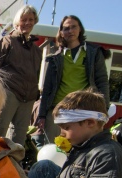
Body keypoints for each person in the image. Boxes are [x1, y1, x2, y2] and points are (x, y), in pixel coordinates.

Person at [35, 15, 111, 146]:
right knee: (54, 147)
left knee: (80, 148)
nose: (70, 31)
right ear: (61, 33)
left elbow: (102, 81)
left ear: (80, 29)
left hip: (83, 110)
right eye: (66, 28)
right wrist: (41, 115)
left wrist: (105, 107)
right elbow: (47, 87)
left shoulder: (93, 52)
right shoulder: (55, 57)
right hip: (57, 110)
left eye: (73, 27)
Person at [0, 5, 42, 146]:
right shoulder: (7, 41)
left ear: (35, 22)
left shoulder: (37, 50)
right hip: (8, 92)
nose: (27, 23)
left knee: (19, 136)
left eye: (31, 19)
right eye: (24, 19)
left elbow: (38, 74)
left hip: (28, 98)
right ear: (17, 23)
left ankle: (13, 166)